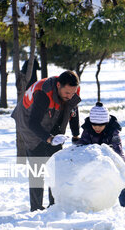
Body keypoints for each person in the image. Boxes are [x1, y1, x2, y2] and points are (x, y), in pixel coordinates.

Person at [11, 70, 81, 212]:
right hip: (28, 121)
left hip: (51, 117)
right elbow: (33, 123)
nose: (70, 96)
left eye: (72, 93)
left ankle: (54, 205)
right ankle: (36, 208)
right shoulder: (43, 92)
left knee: (55, 164)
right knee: (38, 166)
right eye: (67, 93)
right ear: (58, 85)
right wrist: (49, 138)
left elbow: (73, 110)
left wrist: (75, 135)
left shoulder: (72, 90)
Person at [77, 102, 125, 208]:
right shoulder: (87, 130)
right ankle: (87, 206)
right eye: (94, 125)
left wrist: (119, 166)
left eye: (100, 125)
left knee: (118, 184)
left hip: (111, 162)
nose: (97, 128)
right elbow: (82, 147)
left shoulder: (113, 132)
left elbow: (118, 151)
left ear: (106, 123)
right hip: (93, 162)